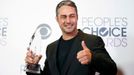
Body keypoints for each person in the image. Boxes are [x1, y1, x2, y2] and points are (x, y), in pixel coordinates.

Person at [25, 0, 117, 75]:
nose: (68, 21)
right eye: (64, 17)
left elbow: (112, 70)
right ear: (57, 19)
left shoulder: (92, 41)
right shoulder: (51, 48)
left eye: (72, 16)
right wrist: (33, 66)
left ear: (77, 17)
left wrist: (92, 58)